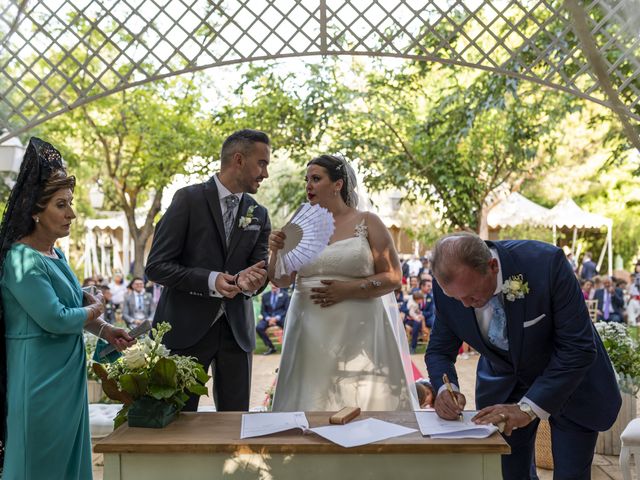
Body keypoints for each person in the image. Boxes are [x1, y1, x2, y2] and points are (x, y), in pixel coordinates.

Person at [425, 232, 621, 480]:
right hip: (503, 387)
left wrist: (528, 408)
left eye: (472, 295)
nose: (465, 305)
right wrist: (446, 390)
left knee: (571, 475)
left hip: (570, 387)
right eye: (457, 298)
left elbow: (578, 348)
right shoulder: (450, 287)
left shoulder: (547, 264)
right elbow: (440, 350)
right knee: (509, 475)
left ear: (492, 266)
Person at [0, 138, 134, 479]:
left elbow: (72, 306)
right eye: (62, 205)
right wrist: (99, 306)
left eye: (71, 203)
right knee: (38, 463)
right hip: (38, 379)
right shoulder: (21, 260)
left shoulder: (55, 254)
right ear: (35, 210)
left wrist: (105, 329)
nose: (71, 214)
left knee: (69, 459)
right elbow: (57, 318)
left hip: (66, 377)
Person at [268, 154, 417, 411]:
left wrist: (348, 289)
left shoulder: (367, 222)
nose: (309, 186)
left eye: (316, 179)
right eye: (307, 180)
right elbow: (281, 280)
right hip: (308, 328)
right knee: (308, 398)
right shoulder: (299, 225)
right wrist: (275, 251)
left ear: (338, 184)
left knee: (364, 399)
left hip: (360, 327)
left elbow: (393, 277)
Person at [145, 129, 271, 412]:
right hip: (184, 329)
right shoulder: (188, 200)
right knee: (176, 419)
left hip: (237, 334)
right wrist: (211, 280)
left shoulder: (259, 213)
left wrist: (251, 281)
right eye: (261, 163)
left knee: (235, 422)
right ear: (238, 159)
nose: (265, 174)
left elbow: (260, 272)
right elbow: (156, 266)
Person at [256, 284, 290, 355]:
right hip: (268, 318)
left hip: (280, 318)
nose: (274, 286)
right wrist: (268, 319)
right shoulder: (265, 296)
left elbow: (286, 310)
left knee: (288, 327)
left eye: (276, 285)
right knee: (259, 327)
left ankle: (288, 348)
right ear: (271, 284)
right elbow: (263, 311)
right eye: (273, 284)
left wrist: (276, 318)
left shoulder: (285, 295)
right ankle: (271, 347)